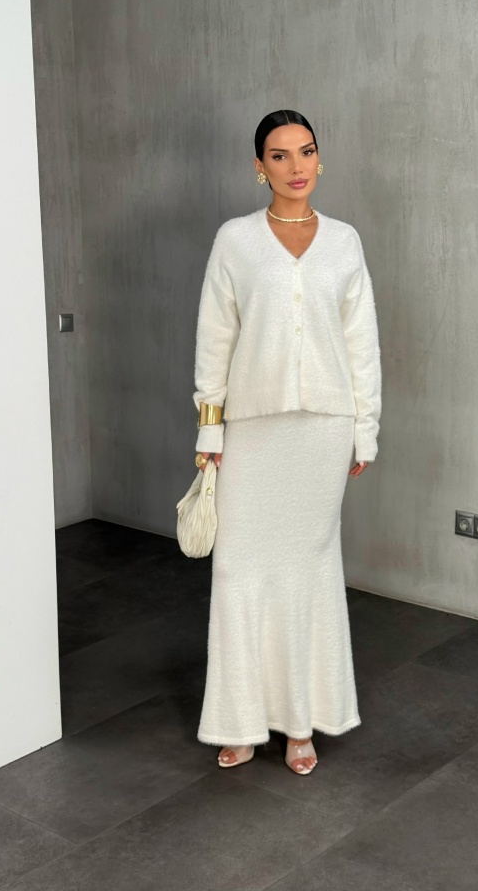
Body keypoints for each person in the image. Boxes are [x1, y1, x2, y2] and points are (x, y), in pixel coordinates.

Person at [192, 109, 381, 775]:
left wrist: (365, 429)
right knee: (238, 572)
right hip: (253, 427)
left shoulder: (345, 242)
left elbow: (362, 343)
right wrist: (209, 427)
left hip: (324, 428)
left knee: (307, 572)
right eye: (279, 155)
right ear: (259, 166)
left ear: (320, 159)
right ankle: (238, 720)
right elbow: (215, 336)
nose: (296, 167)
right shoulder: (235, 240)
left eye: (306, 152)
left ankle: (301, 723)